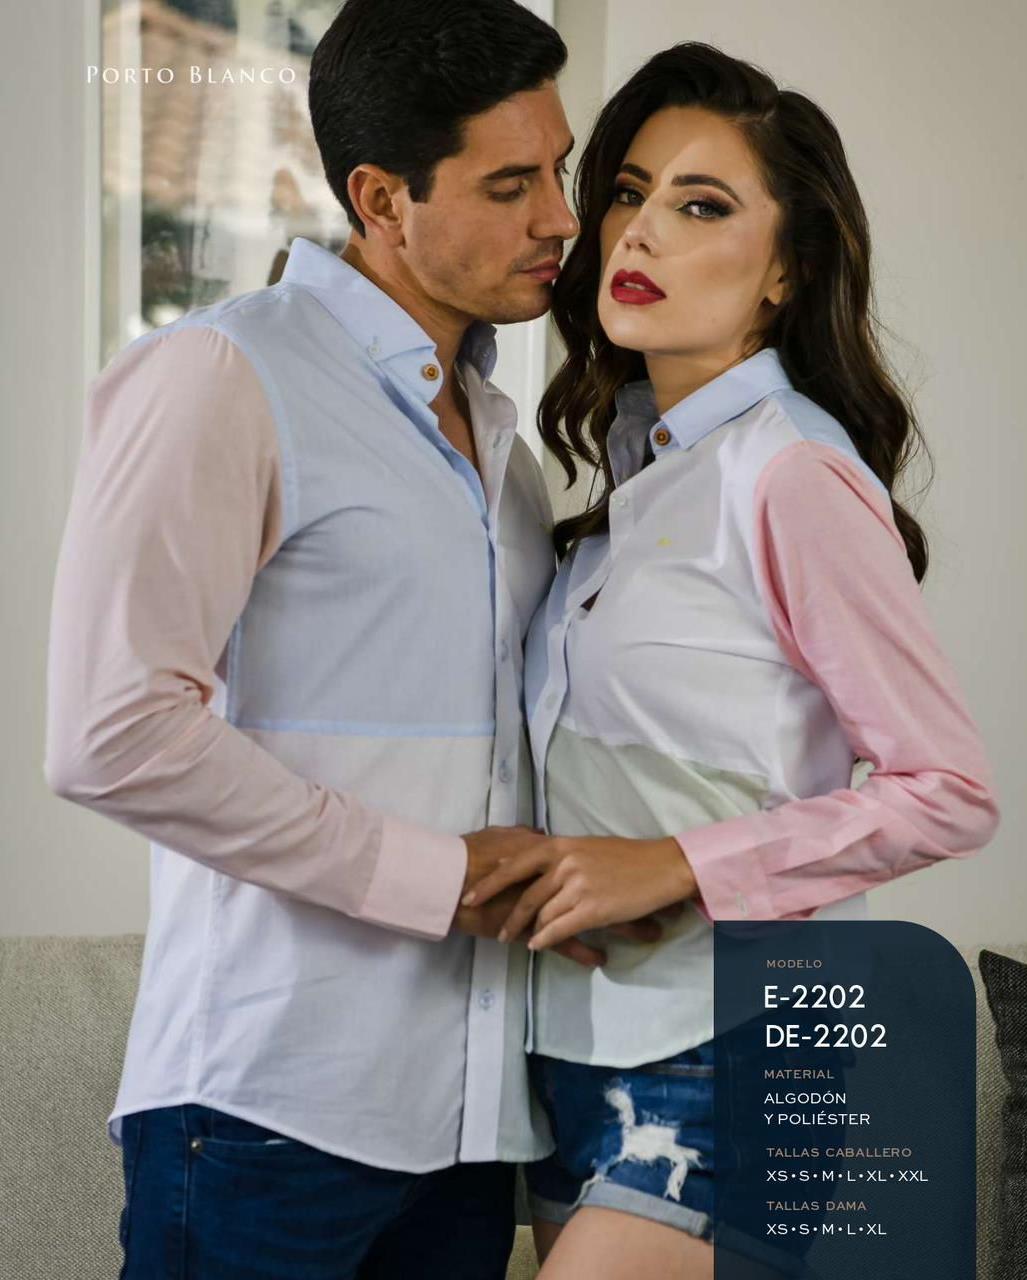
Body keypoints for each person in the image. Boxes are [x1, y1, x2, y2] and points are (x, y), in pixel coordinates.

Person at [42, 2, 666, 1275]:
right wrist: (437, 876)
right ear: (381, 198)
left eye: (558, 169)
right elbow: (112, 734)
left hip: (470, 1125)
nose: (560, 217)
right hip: (268, 1112)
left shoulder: (502, 445)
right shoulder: (225, 375)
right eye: (510, 184)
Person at [461, 41, 1001, 1278]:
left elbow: (947, 789)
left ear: (784, 271)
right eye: (629, 192)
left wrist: (671, 863)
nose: (640, 230)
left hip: (735, 1044)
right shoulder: (635, 479)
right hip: (573, 1045)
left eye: (701, 206)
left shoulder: (789, 472)